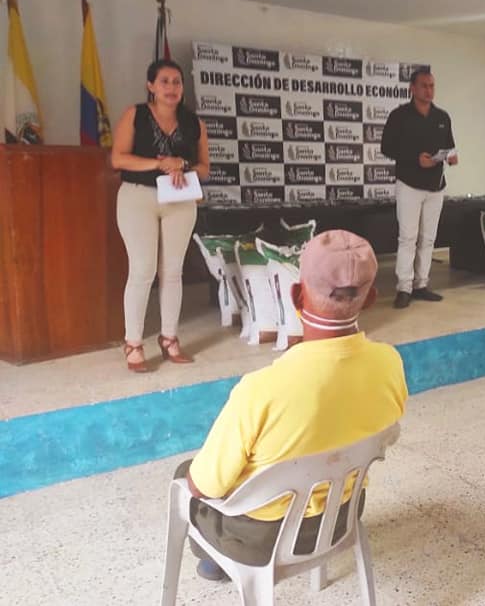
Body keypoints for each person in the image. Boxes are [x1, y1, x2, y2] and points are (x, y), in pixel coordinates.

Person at [174, 230, 408, 581]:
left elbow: (204, 487)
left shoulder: (261, 390)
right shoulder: (389, 363)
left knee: (185, 473)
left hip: (263, 540)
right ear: (371, 298)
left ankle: (215, 561)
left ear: (296, 295)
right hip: (343, 517)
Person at [110, 59, 210, 372]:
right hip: (138, 197)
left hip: (180, 199)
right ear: (151, 86)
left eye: (177, 82)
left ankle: (169, 339)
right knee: (142, 270)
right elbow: (118, 159)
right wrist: (159, 163)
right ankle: (133, 343)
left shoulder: (194, 122)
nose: (171, 87)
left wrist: (183, 164)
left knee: (173, 271)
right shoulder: (136, 114)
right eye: (164, 81)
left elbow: (204, 169)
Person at [380, 68, 458, 309]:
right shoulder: (399, 116)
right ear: (412, 88)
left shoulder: (442, 117)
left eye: (432, 86)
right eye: (424, 85)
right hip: (409, 184)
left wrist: (451, 157)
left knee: (428, 238)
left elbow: (450, 146)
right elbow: (386, 148)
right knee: (408, 238)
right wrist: (415, 159)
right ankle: (404, 287)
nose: (429, 90)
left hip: (436, 187)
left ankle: (421, 285)